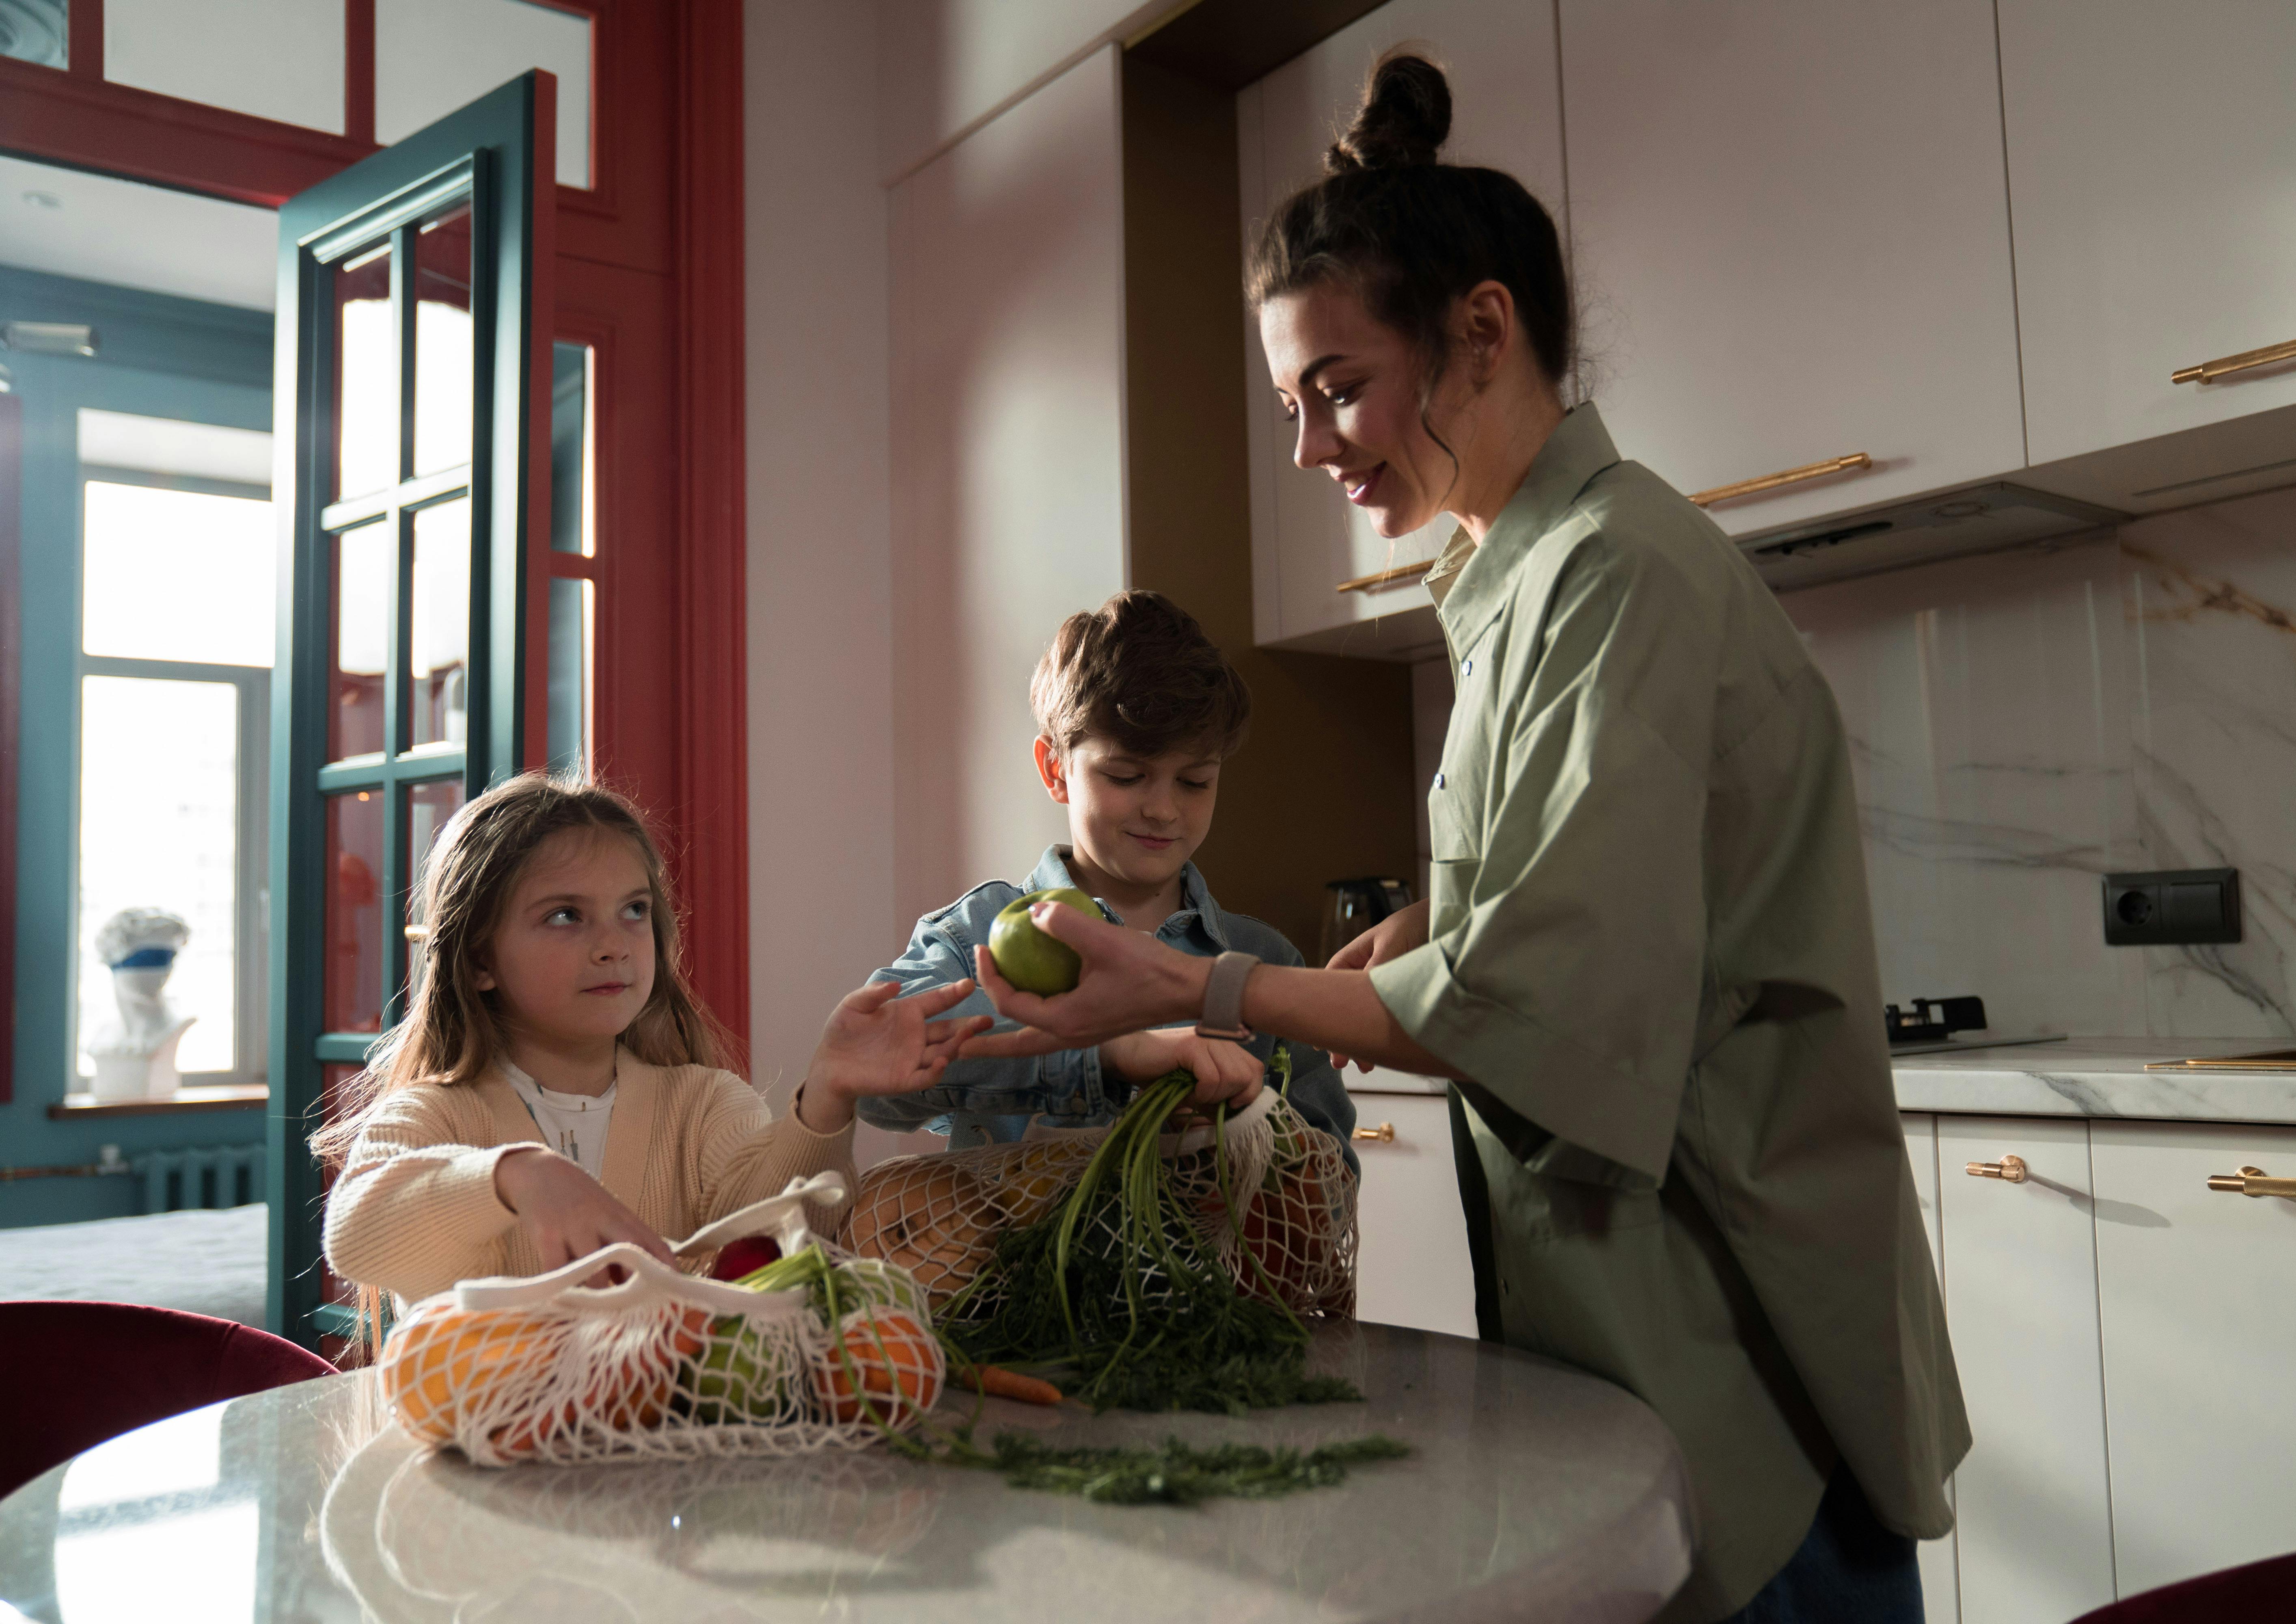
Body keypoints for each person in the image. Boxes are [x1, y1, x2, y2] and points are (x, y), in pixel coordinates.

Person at [964, 53, 1968, 1624]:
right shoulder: (1519, 582)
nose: (1311, 447)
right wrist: (1450, 918)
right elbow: (1578, 911)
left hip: (1727, 1328)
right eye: (1294, 404)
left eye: (1339, 388)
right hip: (1640, 1320)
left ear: (1480, 331)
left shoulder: (1614, 573)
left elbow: (1546, 1008)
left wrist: (1189, 994)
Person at [320, 773, 992, 1310]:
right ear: (479, 962)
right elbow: (357, 1234)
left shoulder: (700, 1104)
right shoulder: (437, 1116)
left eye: (633, 911)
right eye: (565, 916)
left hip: (664, 1457)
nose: (613, 945)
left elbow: (780, 1244)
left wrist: (827, 1095)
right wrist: (516, 1176)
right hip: (486, 1467)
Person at [859, 590, 1356, 1159]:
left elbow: (1331, 1171)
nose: (1164, 810)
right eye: (1126, 776)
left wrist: (1248, 1130)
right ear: (1056, 771)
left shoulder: (1263, 960)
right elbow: (875, 1072)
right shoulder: (972, 934)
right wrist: (1108, 1056)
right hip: (1008, 1246)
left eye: (1195, 782)